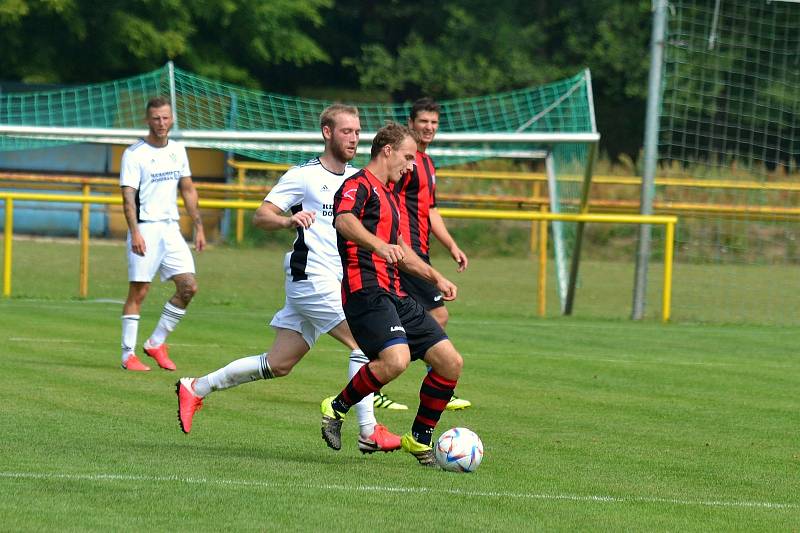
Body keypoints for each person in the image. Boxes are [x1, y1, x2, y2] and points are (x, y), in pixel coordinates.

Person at [175, 104, 401, 453]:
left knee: (279, 364)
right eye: (346, 131)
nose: (354, 138)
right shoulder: (304, 176)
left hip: (338, 282)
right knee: (368, 346)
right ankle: (368, 431)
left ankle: (195, 388)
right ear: (327, 133)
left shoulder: (358, 180)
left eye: (357, 132)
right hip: (310, 276)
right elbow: (262, 215)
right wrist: (287, 221)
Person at [320, 123, 464, 467]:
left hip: (396, 294)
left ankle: (419, 438)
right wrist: (377, 246)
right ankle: (336, 407)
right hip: (365, 292)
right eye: (407, 157)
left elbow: (402, 250)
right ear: (387, 150)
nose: (411, 165)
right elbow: (343, 221)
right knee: (396, 360)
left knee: (450, 363)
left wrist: (435, 277)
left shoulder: (391, 197)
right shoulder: (357, 185)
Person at [378, 97, 472, 410]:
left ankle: (382, 372)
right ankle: (436, 378)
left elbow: (430, 210)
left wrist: (452, 245)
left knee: (407, 316)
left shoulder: (428, 164)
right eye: (423, 122)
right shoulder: (405, 161)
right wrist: (396, 240)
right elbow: (388, 200)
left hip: (421, 251)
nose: (429, 128)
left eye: (434, 122)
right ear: (411, 123)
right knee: (438, 315)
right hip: (405, 252)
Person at [119, 96, 205, 372]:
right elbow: (128, 197)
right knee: (140, 290)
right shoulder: (134, 154)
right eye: (156, 118)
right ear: (147, 120)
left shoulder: (178, 151)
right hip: (145, 228)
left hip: (171, 229)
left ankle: (156, 342)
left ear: (172, 119)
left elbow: (188, 189)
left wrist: (199, 227)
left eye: (166, 118)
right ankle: (127, 355)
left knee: (189, 286)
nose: (161, 123)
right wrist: (135, 233)